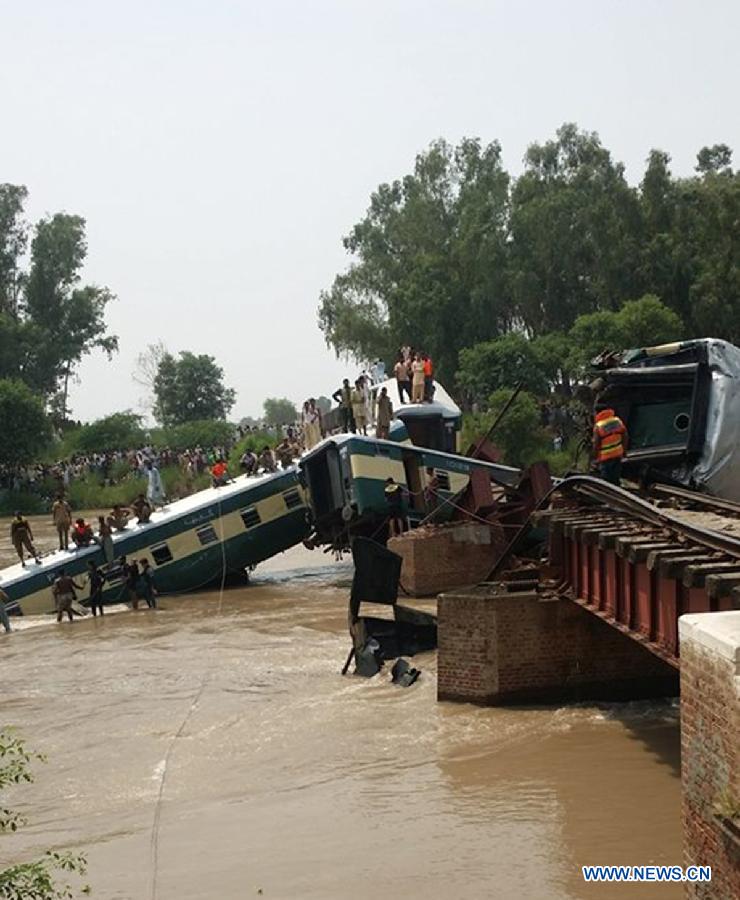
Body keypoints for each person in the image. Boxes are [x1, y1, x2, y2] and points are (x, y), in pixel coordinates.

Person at [593, 405, 628, 486]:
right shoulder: (617, 421)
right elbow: (625, 436)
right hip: (618, 455)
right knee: (616, 480)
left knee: (606, 483)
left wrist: (595, 458)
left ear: (597, 412)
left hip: (606, 458)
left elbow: (596, 444)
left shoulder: (598, 426)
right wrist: (624, 451)